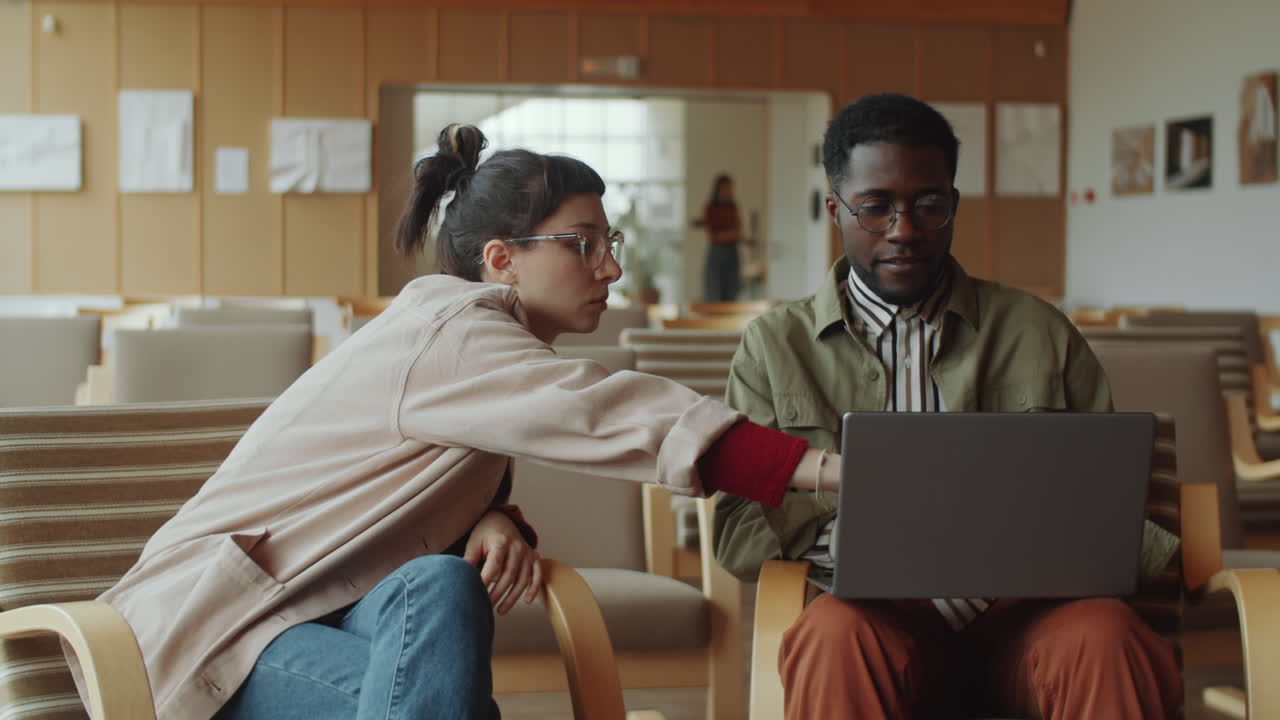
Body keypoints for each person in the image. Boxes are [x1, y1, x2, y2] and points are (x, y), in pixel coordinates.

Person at [67, 125, 842, 720]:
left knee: (442, 584)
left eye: (610, 243)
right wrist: (828, 470)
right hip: (221, 634)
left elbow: (402, 485)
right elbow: (606, 408)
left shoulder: (472, 343)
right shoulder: (454, 330)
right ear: (502, 260)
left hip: (323, 613)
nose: (609, 267)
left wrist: (492, 518)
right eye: (583, 245)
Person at [712, 94, 1183, 720]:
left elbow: (1107, 505)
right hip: (875, 617)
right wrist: (870, 542)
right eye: (875, 207)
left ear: (953, 203)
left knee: (1106, 637)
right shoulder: (775, 347)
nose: (904, 230)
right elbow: (739, 530)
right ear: (835, 209)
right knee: (832, 636)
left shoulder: (1039, 331)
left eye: (929, 205)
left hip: (1030, 614)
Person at [701, 174, 743, 302]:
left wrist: (727, 235)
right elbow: (714, 235)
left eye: (731, 188)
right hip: (717, 252)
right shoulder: (710, 208)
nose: (729, 191)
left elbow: (738, 230)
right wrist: (728, 235)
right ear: (718, 189)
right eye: (726, 188)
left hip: (732, 252)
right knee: (714, 291)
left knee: (732, 291)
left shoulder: (733, 208)